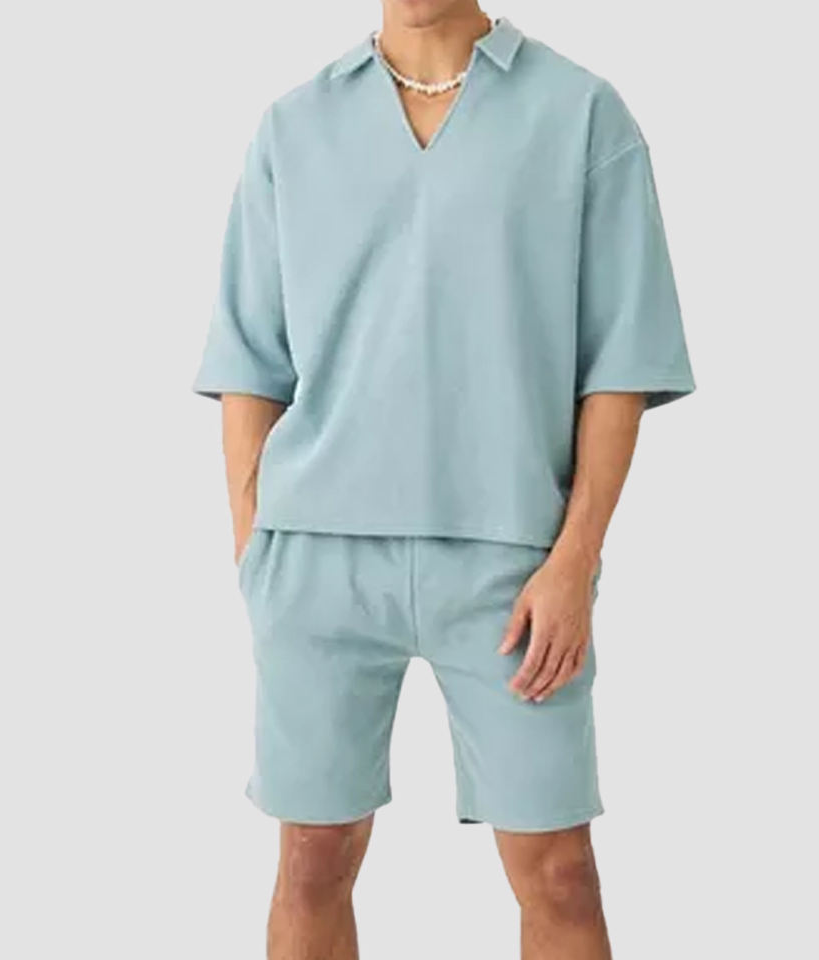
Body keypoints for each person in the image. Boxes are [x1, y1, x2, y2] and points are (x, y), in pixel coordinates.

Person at [194, 2, 694, 957]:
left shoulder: (580, 112)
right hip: (319, 560)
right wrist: (255, 545)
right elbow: (250, 359)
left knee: (559, 871)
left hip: (515, 569)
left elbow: (621, 364)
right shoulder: (294, 126)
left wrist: (575, 559)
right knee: (312, 859)